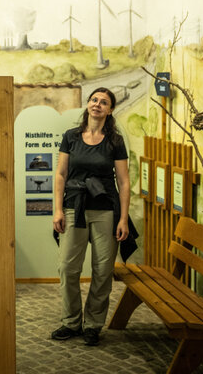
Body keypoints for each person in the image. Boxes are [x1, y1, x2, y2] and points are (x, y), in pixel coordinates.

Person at [51, 87, 130, 347]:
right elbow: (61, 174)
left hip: (106, 210)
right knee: (67, 267)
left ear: (110, 110)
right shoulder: (71, 137)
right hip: (74, 207)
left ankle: (93, 325)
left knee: (102, 270)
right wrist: (58, 209)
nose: (97, 104)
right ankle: (71, 321)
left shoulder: (115, 141)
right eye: (94, 100)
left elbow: (124, 181)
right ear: (88, 104)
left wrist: (123, 219)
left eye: (104, 102)